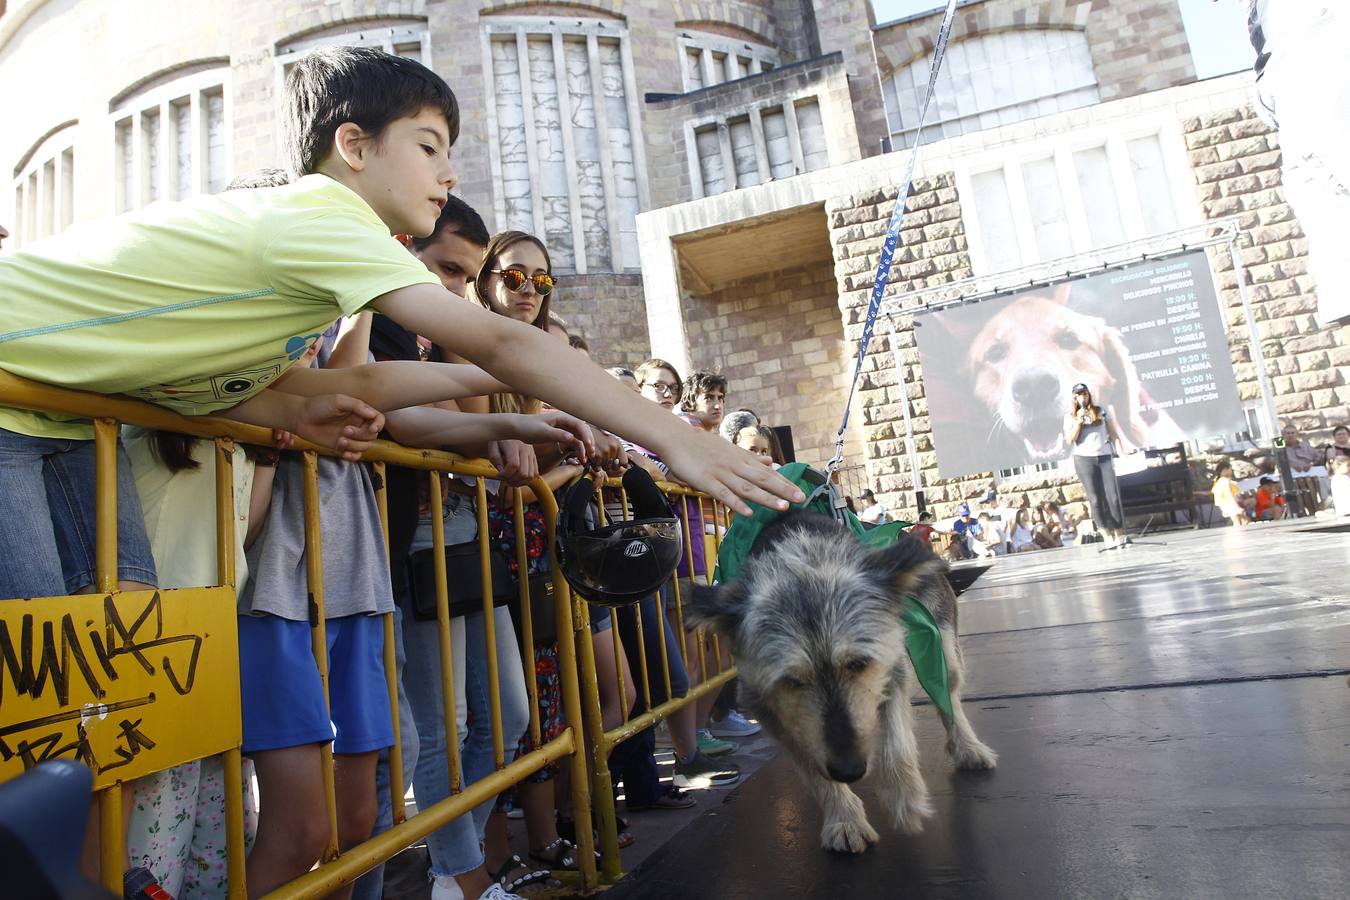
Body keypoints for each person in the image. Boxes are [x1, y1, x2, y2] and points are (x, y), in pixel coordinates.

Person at [1064, 383, 1128, 549]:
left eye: (1085, 393)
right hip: (1084, 459)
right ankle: (1106, 535)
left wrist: (1121, 452)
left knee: (1113, 496)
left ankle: (1120, 533)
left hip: (1104, 456)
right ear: (1075, 398)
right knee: (1095, 498)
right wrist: (1078, 422)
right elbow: (1070, 440)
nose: (1083, 397)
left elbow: (1113, 433)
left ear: (1088, 395)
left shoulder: (1100, 411)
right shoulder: (1070, 416)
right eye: (1079, 394)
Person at [1212, 461, 1250, 527]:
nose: (1231, 471)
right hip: (1230, 504)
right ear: (1225, 470)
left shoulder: (1218, 481)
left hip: (1226, 504)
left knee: (1242, 521)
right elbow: (1228, 494)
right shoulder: (1225, 480)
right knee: (1240, 522)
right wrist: (1236, 506)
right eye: (1230, 469)